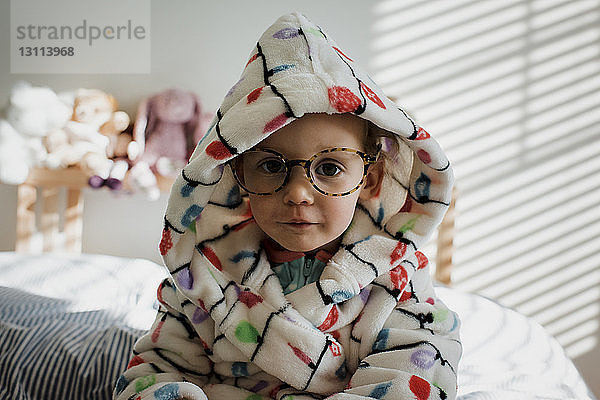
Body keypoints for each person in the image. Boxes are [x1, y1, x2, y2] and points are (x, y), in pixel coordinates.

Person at [114, 12, 461, 400]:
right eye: (271, 165)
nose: (298, 193)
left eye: (329, 167)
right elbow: (154, 372)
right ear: (237, 174)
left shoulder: (397, 279)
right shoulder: (203, 275)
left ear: (371, 179)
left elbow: (416, 369)